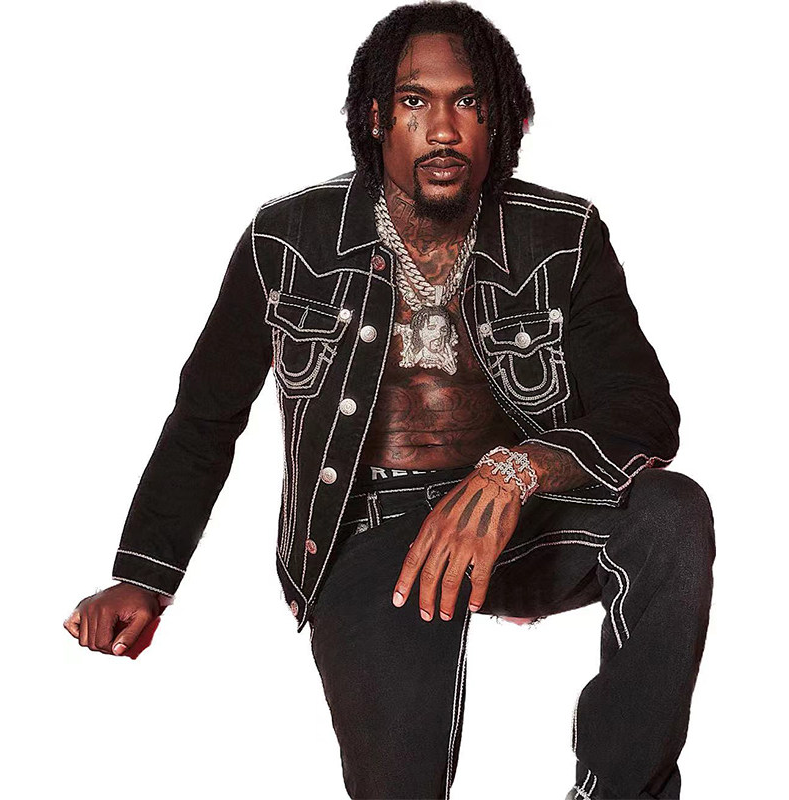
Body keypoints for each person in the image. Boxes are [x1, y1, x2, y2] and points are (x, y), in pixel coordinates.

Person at [63, 3, 715, 798]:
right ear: (376, 117)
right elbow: (206, 418)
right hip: (369, 528)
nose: (442, 129)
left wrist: (519, 471)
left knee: (671, 512)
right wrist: (142, 576)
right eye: (415, 101)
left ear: (506, 118)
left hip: (515, 514)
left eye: (468, 101)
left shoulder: (564, 235)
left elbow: (643, 411)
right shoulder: (286, 240)